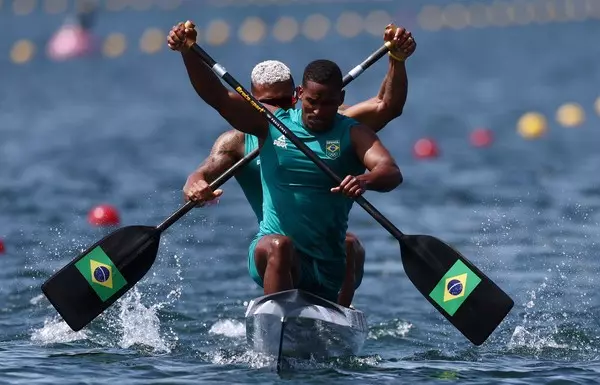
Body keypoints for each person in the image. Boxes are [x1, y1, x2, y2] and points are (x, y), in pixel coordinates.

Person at [168, 21, 404, 304]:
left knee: (350, 244)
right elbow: (217, 97)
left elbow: (387, 114)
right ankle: (278, 321)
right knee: (279, 245)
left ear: (295, 95)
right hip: (276, 254)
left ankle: (336, 323)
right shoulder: (259, 127)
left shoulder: (347, 127)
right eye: (265, 103)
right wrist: (188, 51)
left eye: (282, 101)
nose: (274, 109)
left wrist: (397, 58)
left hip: (326, 259)